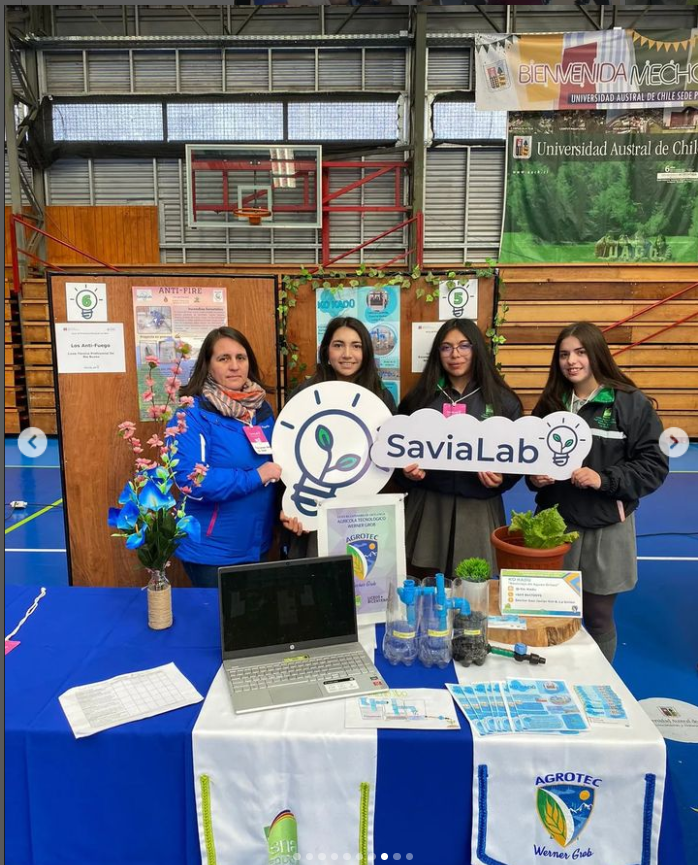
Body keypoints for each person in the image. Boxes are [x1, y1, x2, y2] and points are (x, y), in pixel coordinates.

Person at [529, 321, 669, 662]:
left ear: (597, 354)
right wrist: (534, 477)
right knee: (550, 613)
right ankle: (554, 680)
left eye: (580, 352)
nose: (571, 361)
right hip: (555, 524)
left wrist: (604, 479)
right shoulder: (550, 403)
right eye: (564, 354)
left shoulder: (630, 402)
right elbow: (531, 457)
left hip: (606, 525)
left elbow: (654, 465)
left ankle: (599, 683)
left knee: (597, 616)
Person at [398, 318, 523, 576]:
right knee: (425, 584)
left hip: (478, 508)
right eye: (446, 347)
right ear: (438, 353)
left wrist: (503, 478)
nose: (455, 354)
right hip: (429, 506)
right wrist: (406, 472)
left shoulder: (503, 401)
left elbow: (519, 457)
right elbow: (398, 450)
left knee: (473, 587)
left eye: (464, 346)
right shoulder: (419, 398)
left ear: (477, 349)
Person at [172, 326, 282, 587]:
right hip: (212, 552)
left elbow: (281, 466)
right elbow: (191, 479)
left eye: (240, 357)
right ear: (208, 366)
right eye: (223, 358)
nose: (234, 366)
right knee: (217, 614)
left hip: (257, 544)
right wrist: (255, 477)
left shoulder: (261, 409)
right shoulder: (191, 414)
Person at [281, 316, 397, 556]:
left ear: (366, 352)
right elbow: (286, 451)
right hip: (313, 503)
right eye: (338, 345)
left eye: (356, 346)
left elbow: (390, 456)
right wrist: (289, 506)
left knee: (360, 570)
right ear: (326, 351)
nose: (347, 354)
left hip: (363, 509)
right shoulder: (305, 393)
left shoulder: (381, 397)